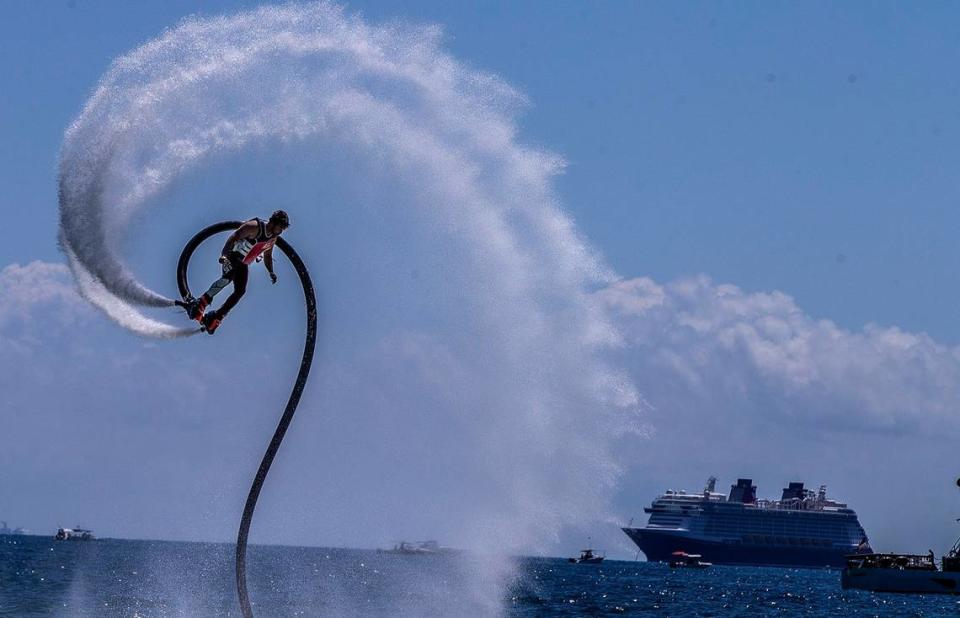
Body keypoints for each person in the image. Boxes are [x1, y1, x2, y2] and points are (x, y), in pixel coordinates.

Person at [183, 210, 290, 334]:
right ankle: (202, 302)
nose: (281, 231)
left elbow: (267, 256)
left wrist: (271, 272)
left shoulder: (273, 238)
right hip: (232, 256)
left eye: (283, 229)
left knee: (240, 291)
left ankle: (217, 317)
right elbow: (234, 237)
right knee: (229, 277)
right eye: (280, 227)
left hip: (243, 263)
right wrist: (224, 255)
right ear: (273, 222)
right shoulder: (254, 227)